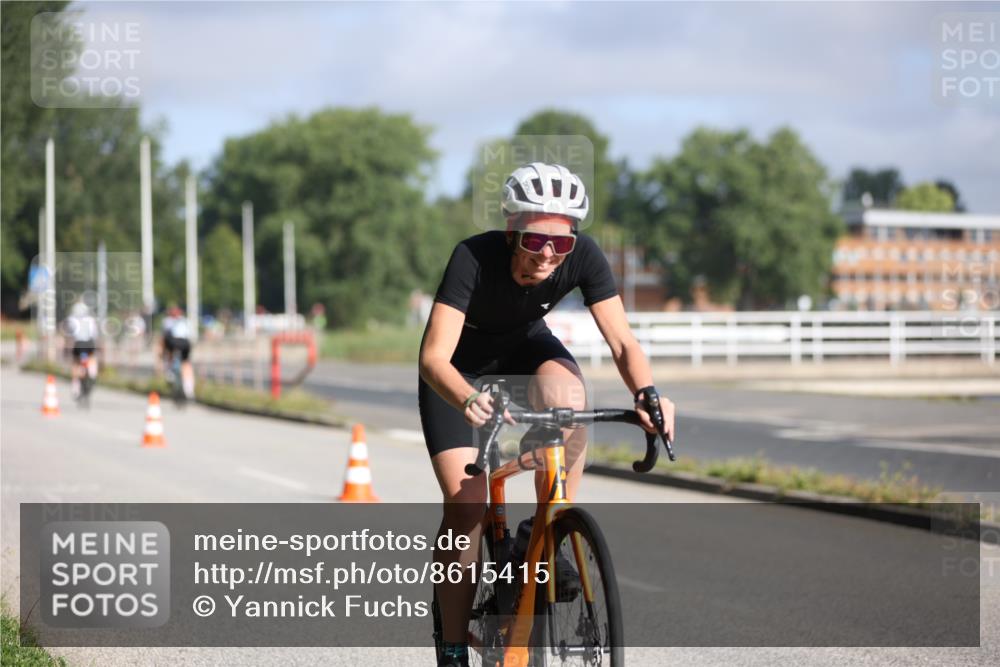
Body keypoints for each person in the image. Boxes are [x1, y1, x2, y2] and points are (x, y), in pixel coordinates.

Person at [418, 162, 676, 667]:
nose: (548, 254)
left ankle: (546, 532)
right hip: (458, 370)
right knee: (466, 506)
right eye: (535, 241)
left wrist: (648, 394)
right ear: (512, 232)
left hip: (525, 349)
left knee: (570, 401)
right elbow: (433, 358)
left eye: (561, 243)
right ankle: (452, 643)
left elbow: (623, 342)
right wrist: (467, 398)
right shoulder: (473, 256)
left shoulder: (584, 255)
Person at [65, 300, 99, 399]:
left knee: (76, 363)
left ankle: (75, 385)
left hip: (79, 344)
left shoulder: (72, 319)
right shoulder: (90, 319)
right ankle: (92, 375)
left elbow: (70, 333)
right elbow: (94, 334)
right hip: (89, 343)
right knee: (92, 358)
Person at [160, 305, 195, 399]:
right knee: (186, 363)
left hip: (174, 342)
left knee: (169, 353)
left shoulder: (167, 321)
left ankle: (170, 372)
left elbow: (163, 337)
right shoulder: (186, 321)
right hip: (185, 343)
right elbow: (190, 337)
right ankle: (189, 389)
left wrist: (162, 352)